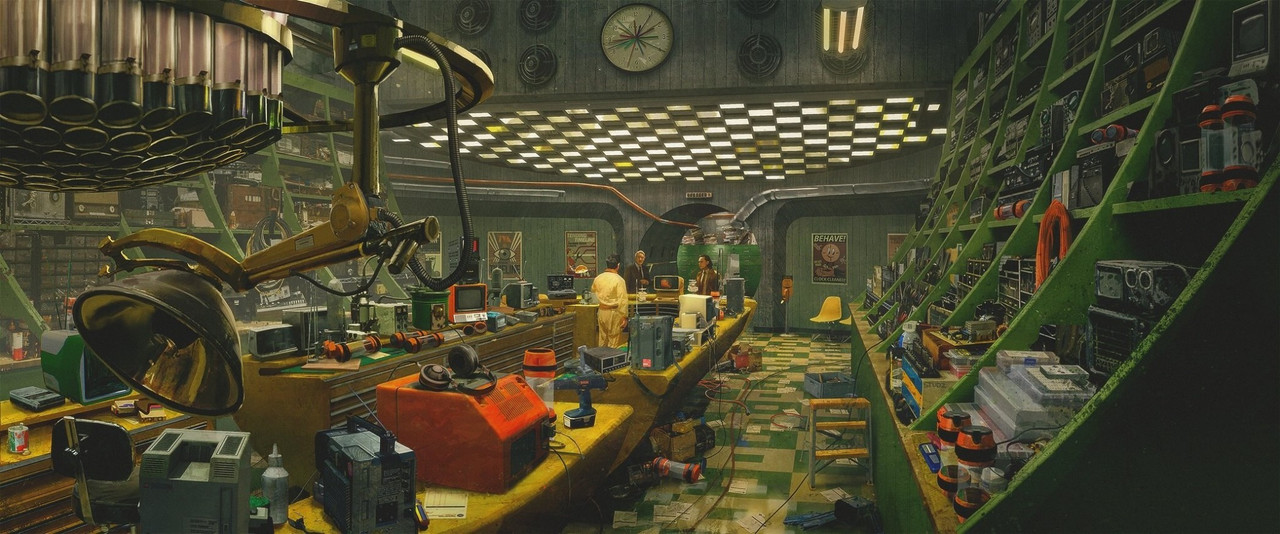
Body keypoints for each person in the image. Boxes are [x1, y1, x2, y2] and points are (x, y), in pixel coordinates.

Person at [591, 254, 628, 348]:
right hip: (614, 312)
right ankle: (611, 357)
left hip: (601, 311)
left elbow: (593, 295)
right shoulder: (619, 280)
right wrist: (624, 316)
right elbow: (622, 300)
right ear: (618, 265)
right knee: (613, 340)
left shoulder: (598, 278)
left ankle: (600, 356)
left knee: (602, 338)